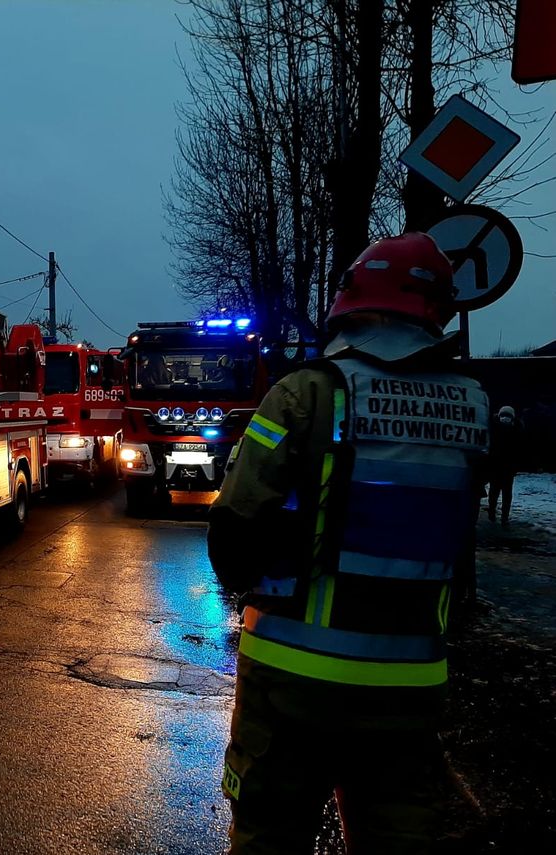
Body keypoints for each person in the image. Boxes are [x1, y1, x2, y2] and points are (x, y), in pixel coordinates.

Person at [207, 233, 490, 853]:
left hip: (291, 679)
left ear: (351, 302)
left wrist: (250, 583)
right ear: (438, 311)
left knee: (270, 833)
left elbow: (235, 524)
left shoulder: (305, 392)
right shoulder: (475, 406)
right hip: (410, 684)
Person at [487, 405, 523, 526]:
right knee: (495, 491)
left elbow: (520, 449)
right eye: (504, 415)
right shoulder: (495, 428)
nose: (505, 418)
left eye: (508, 416)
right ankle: (493, 513)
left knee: (505, 493)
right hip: (497, 465)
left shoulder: (516, 429)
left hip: (507, 466)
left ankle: (503, 516)